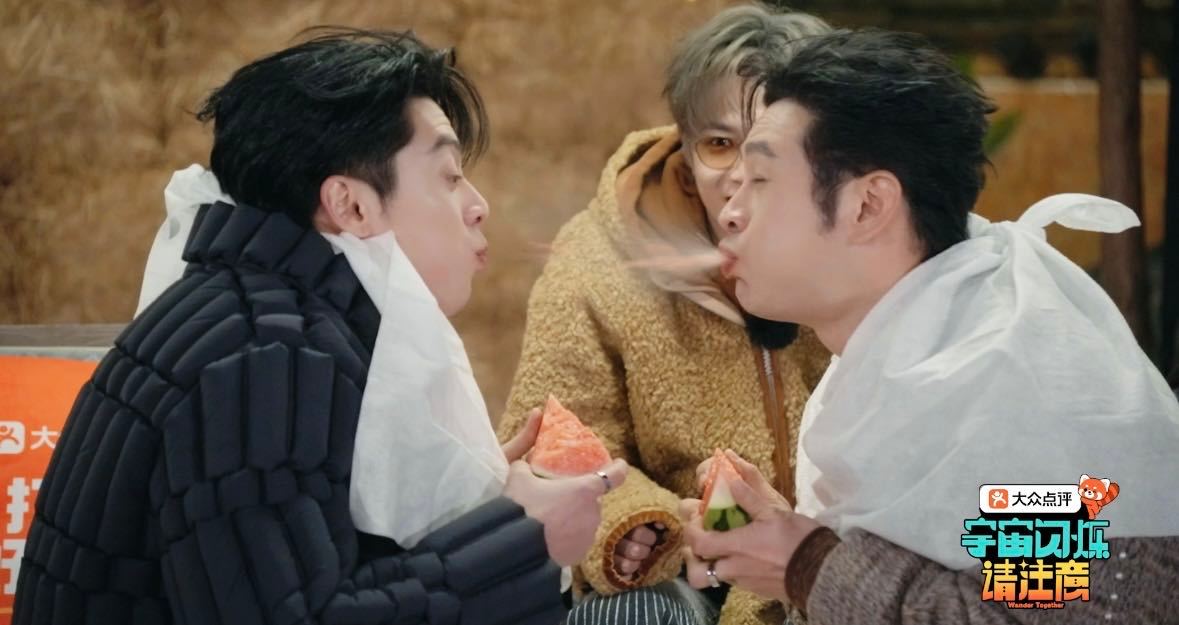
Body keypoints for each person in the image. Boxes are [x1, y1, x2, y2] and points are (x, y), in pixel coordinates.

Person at [14, 29, 626, 625]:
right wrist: (521, 539)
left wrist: (472, 505)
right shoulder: (267, 353)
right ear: (350, 205)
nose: (478, 205)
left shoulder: (254, 310)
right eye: (448, 175)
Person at [680, 28, 1179, 624]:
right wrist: (789, 538)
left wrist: (808, 564)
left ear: (868, 205)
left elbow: (1054, 614)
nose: (730, 213)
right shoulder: (907, 343)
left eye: (760, 181)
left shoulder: (1014, 391)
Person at [497, 5, 830, 625]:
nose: (740, 189)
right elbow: (556, 438)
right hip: (706, 574)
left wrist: (818, 564)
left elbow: (1028, 549)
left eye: (772, 155)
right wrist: (640, 523)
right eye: (719, 145)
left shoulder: (958, 314)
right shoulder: (597, 266)